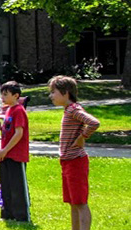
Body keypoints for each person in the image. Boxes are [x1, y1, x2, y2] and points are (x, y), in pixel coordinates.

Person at [48, 76, 100, 230]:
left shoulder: (73, 109)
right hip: (67, 161)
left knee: (80, 203)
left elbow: (94, 122)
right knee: (72, 201)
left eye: (53, 92)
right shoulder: (68, 110)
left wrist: (82, 137)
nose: (51, 96)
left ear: (65, 93)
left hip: (76, 161)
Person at [0, 81, 30, 222]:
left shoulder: (19, 111)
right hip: (6, 155)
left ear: (16, 96)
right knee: (6, 184)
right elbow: (8, 130)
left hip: (16, 155)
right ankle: (8, 214)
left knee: (17, 186)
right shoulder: (8, 110)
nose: (2, 97)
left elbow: (18, 133)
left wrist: (5, 150)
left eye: (6, 94)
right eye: (2, 94)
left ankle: (22, 216)